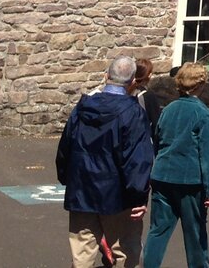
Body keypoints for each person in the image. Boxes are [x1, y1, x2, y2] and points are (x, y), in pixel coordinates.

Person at [57, 54, 155, 268]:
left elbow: (65, 146)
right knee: (124, 253)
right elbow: (138, 158)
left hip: (82, 190)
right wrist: (139, 196)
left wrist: (66, 178)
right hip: (118, 195)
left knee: (81, 256)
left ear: (106, 76)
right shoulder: (133, 112)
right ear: (131, 83)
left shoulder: (83, 107)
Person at [142, 62, 209, 268]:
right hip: (190, 181)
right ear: (200, 84)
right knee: (195, 235)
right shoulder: (203, 113)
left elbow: (157, 140)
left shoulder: (168, 110)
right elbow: (206, 155)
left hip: (162, 176)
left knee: (158, 231)